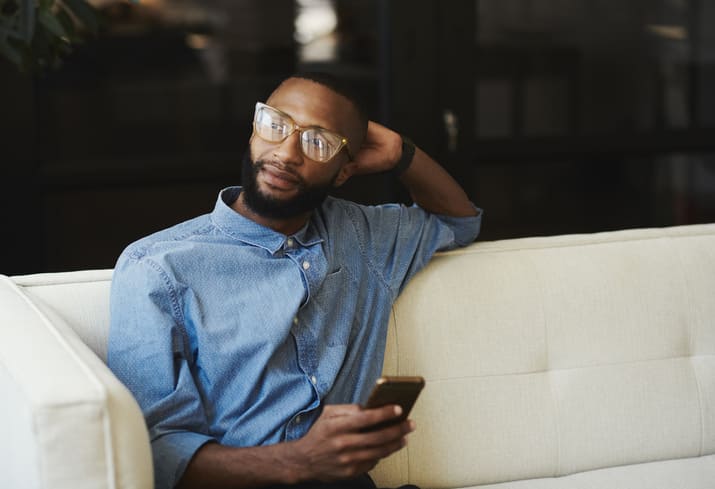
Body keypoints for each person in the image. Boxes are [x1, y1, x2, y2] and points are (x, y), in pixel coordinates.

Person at [108, 72, 482, 489]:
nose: (286, 153)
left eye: (317, 142)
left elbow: (458, 221)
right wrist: (299, 462)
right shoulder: (157, 267)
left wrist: (398, 152)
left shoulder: (363, 237)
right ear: (253, 131)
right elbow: (156, 451)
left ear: (344, 172)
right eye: (276, 125)